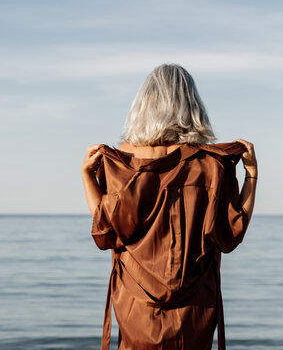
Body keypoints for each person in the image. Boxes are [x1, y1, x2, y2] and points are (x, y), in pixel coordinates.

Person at [81, 63, 257, 350]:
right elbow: (232, 232)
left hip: (136, 309)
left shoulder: (122, 165)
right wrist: (252, 175)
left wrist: (87, 176)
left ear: (144, 105)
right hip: (194, 313)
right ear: (192, 106)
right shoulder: (210, 165)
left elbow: (107, 229)